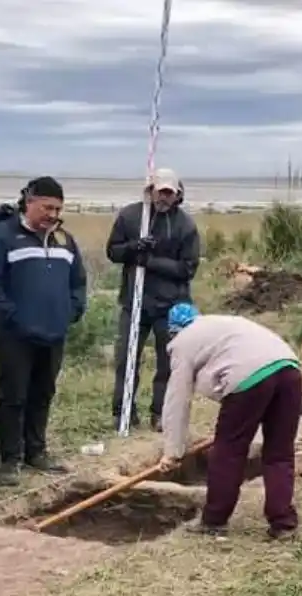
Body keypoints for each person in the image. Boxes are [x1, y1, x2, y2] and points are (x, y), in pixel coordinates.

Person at [0, 176, 88, 486]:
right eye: (46, 207)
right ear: (29, 202)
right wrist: (13, 318)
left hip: (54, 332)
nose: (52, 214)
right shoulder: (1, 237)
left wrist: (72, 310)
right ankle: (10, 460)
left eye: (58, 209)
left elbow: (78, 281)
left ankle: (36, 452)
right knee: (13, 396)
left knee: (43, 393)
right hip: (14, 334)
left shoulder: (64, 240)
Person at [156, 303, 301, 540]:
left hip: (249, 375)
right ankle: (283, 524)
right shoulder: (221, 325)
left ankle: (214, 520)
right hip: (290, 369)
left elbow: (177, 400)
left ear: (173, 331)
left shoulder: (182, 341)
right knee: (280, 453)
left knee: (228, 451)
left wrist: (172, 452)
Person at [106, 168, 201, 432]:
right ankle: (124, 412)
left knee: (168, 363)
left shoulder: (185, 225)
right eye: (160, 192)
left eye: (169, 193)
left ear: (177, 194)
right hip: (133, 302)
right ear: (150, 191)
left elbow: (187, 268)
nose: (164, 197)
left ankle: (160, 413)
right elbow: (113, 251)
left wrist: (150, 261)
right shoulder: (130, 216)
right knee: (126, 360)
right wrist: (133, 248)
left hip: (170, 307)